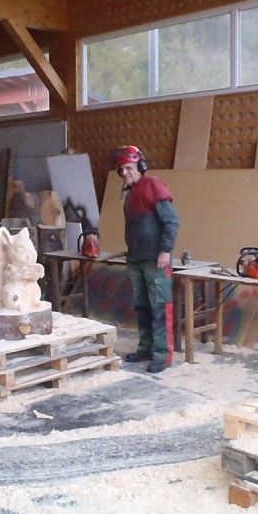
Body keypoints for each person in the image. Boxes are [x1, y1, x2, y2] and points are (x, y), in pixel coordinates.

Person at [115, 146, 180, 374]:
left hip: (155, 259)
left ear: (140, 166)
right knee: (142, 306)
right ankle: (145, 348)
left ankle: (162, 355)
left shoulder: (153, 185)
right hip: (136, 258)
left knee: (160, 306)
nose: (125, 173)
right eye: (121, 169)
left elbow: (171, 221)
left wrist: (165, 250)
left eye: (129, 168)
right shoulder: (131, 194)